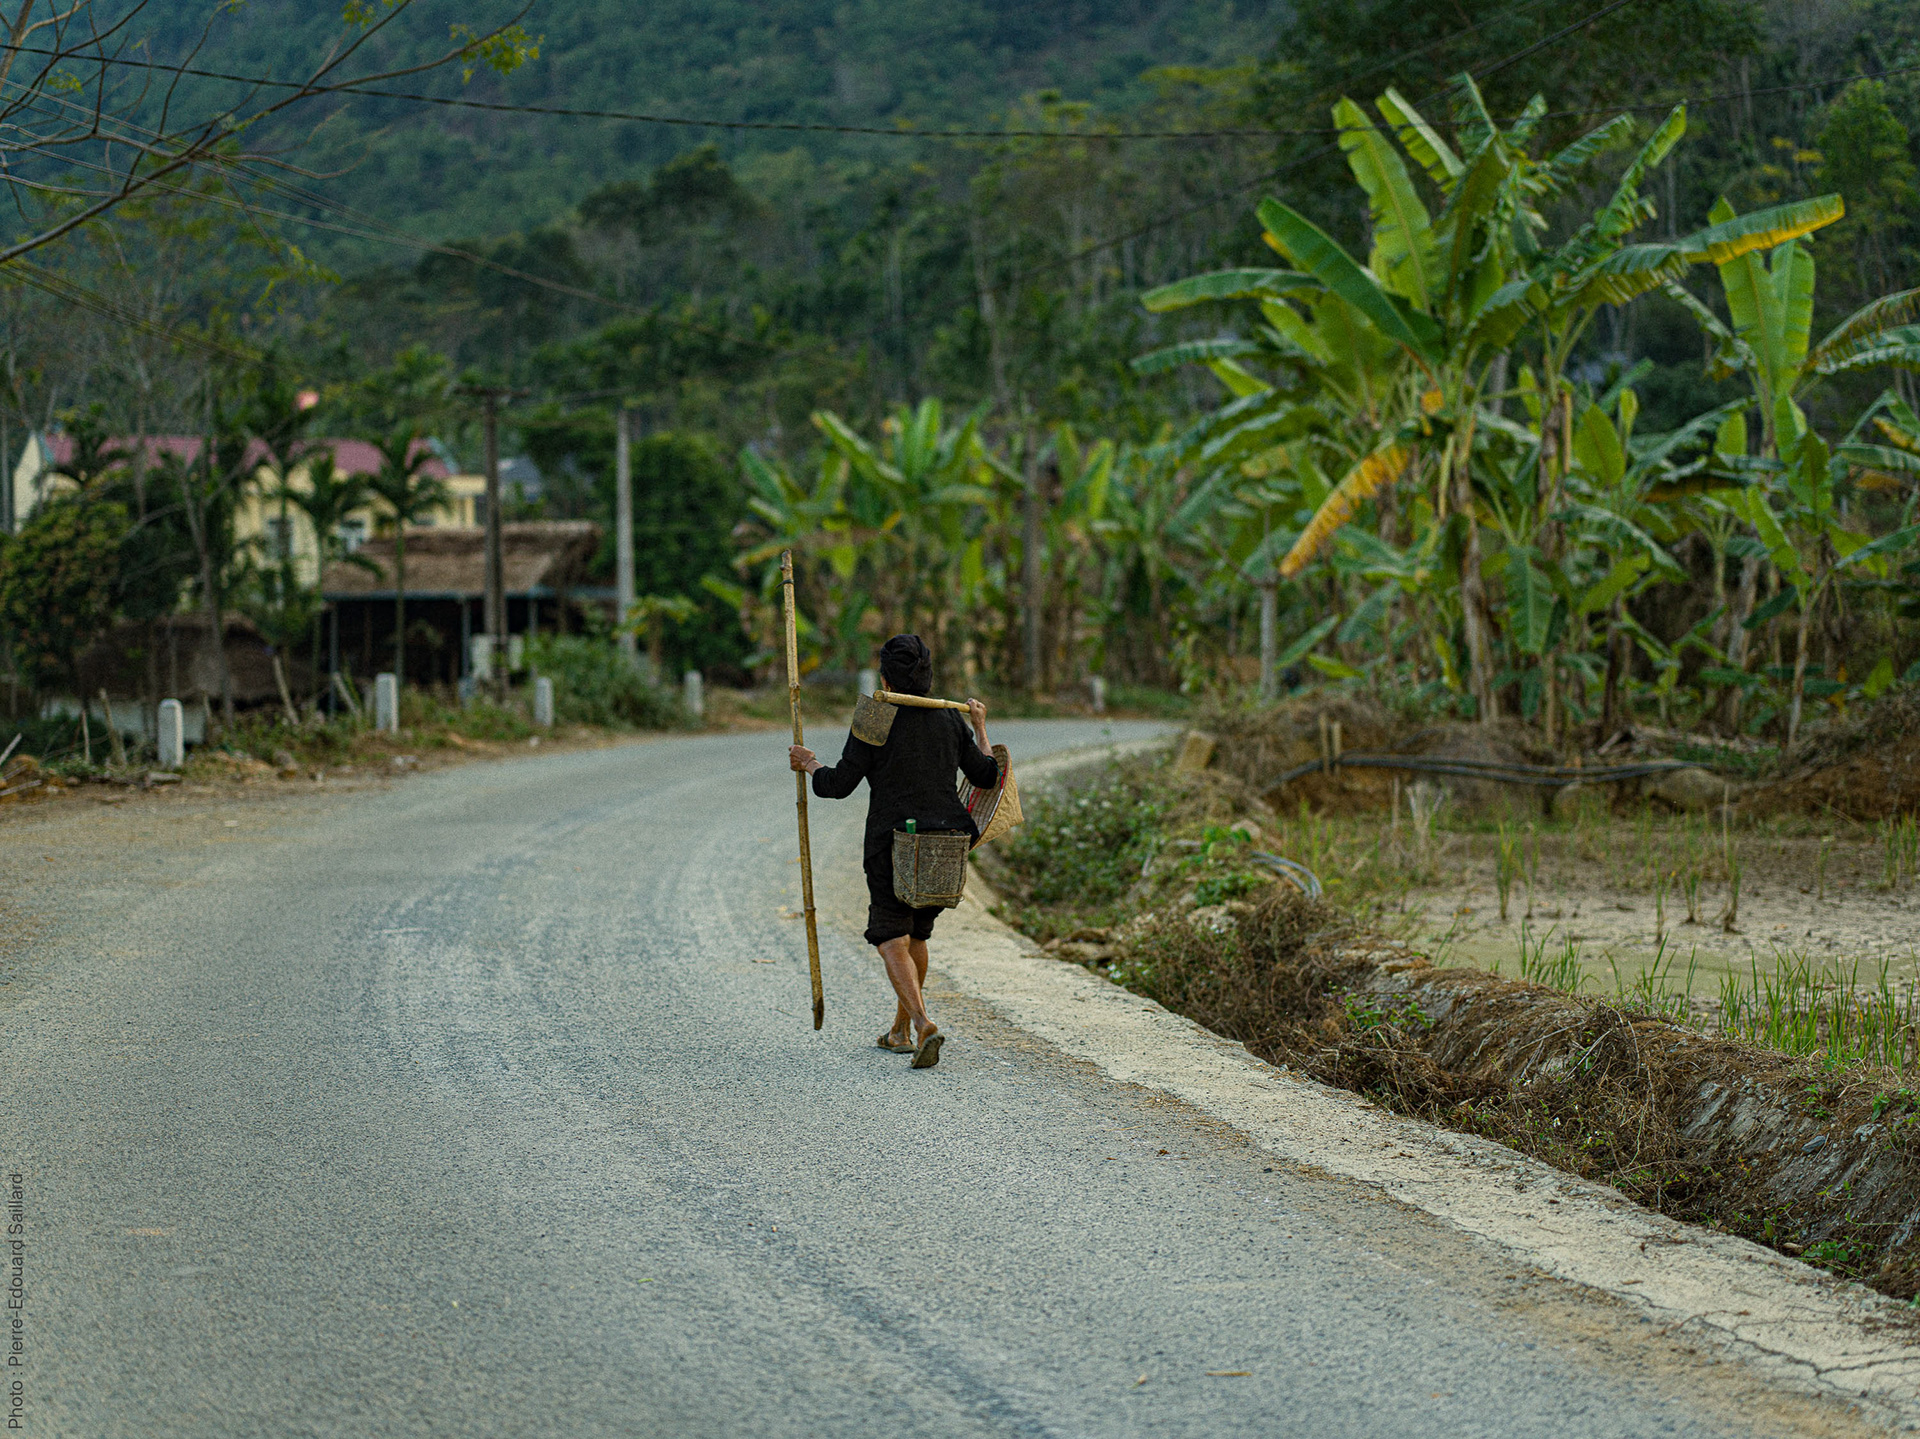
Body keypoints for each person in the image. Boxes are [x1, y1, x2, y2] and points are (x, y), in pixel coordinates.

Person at [789, 634, 999, 1069]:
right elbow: (986, 775)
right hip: (946, 843)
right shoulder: (949, 719)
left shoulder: (875, 717)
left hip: (894, 841)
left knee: (890, 936)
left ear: (886, 675)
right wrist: (980, 725)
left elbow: (837, 785)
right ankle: (900, 1031)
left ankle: (922, 1023)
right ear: (926, 677)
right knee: (917, 935)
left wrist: (809, 764)